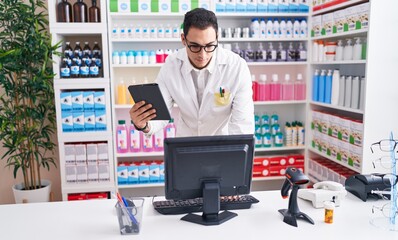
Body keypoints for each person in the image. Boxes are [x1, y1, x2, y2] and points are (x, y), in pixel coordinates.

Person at [129, 8, 254, 137]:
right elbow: (160, 114)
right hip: (186, 143)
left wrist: (237, 153)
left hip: (223, 143)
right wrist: (143, 124)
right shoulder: (171, 65)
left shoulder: (236, 67)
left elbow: (242, 123)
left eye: (210, 46)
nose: (203, 55)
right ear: (183, 39)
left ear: (217, 38)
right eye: (195, 46)